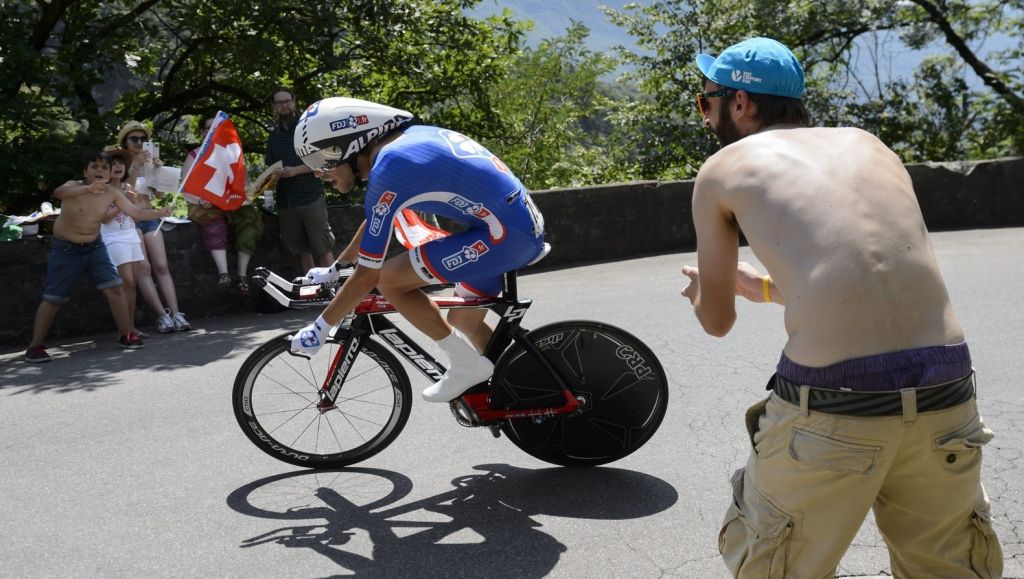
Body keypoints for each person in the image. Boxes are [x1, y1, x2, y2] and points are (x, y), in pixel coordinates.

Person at [679, 37, 1003, 577]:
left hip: (833, 406)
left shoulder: (724, 167)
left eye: (705, 100)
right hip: (946, 390)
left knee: (777, 564)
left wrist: (705, 294)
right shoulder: (871, 146)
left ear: (741, 104)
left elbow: (716, 322)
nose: (705, 115)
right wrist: (761, 287)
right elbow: (870, 287)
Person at [289, 97, 546, 402]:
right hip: (512, 230)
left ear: (350, 146)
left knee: (388, 281)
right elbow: (376, 219)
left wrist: (320, 329)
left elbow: (367, 277)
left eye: (323, 159)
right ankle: (528, 389)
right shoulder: (401, 148)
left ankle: (465, 365)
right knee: (462, 321)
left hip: (502, 237)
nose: (319, 172)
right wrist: (335, 271)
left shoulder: (391, 167)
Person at [25, 150, 171, 362]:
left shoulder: (112, 193)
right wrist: (87, 188)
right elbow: (58, 193)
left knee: (115, 288)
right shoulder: (74, 186)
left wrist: (160, 212)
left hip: (95, 246)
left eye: (104, 168)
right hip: (66, 249)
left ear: (110, 172)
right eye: (95, 167)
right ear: (86, 171)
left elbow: (136, 212)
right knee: (54, 297)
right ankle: (35, 346)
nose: (100, 171)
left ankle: (126, 334)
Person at [116, 121, 191, 332]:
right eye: (135, 139)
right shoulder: (119, 162)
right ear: (125, 143)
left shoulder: (150, 162)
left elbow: (159, 194)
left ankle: (177, 313)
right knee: (144, 268)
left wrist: (159, 171)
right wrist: (136, 166)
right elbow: (123, 186)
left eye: (143, 139)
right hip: (129, 218)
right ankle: (161, 315)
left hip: (149, 216)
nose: (140, 143)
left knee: (161, 266)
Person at [182, 115, 264, 294]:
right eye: (211, 128)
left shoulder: (233, 154)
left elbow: (243, 187)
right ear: (202, 132)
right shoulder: (194, 156)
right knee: (213, 220)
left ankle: (242, 275)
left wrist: (246, 198)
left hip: (229, 204)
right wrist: (200, 200)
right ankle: (224, 273)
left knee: (250, 218)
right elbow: (186, 188)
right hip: (203, 205)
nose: (216, 131)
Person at [264, 86, 336, 273]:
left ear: (294, 102)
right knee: (300, 251)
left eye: (287, 101)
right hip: (286, 202)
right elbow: (270, 168)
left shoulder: (308, 128)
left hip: (310, 196)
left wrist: (296, 170)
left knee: (323, 248)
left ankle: (335, 293)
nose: (284, 106)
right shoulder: (273, 137)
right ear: (274, 106)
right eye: (279, 102)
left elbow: (325, 159)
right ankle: (312, 293)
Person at [99, 147, 147, 339]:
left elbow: (134, 218)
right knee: (125, 281)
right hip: (112, 239)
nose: (117, 166)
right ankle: (124, 330)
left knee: (132, 284)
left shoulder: (127, 188)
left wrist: (133, 203)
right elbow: (104, 218)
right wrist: (122, 203)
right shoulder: (101, 189)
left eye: (120, 162)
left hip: (130, 236)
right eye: (113, 163)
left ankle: (131, 328)